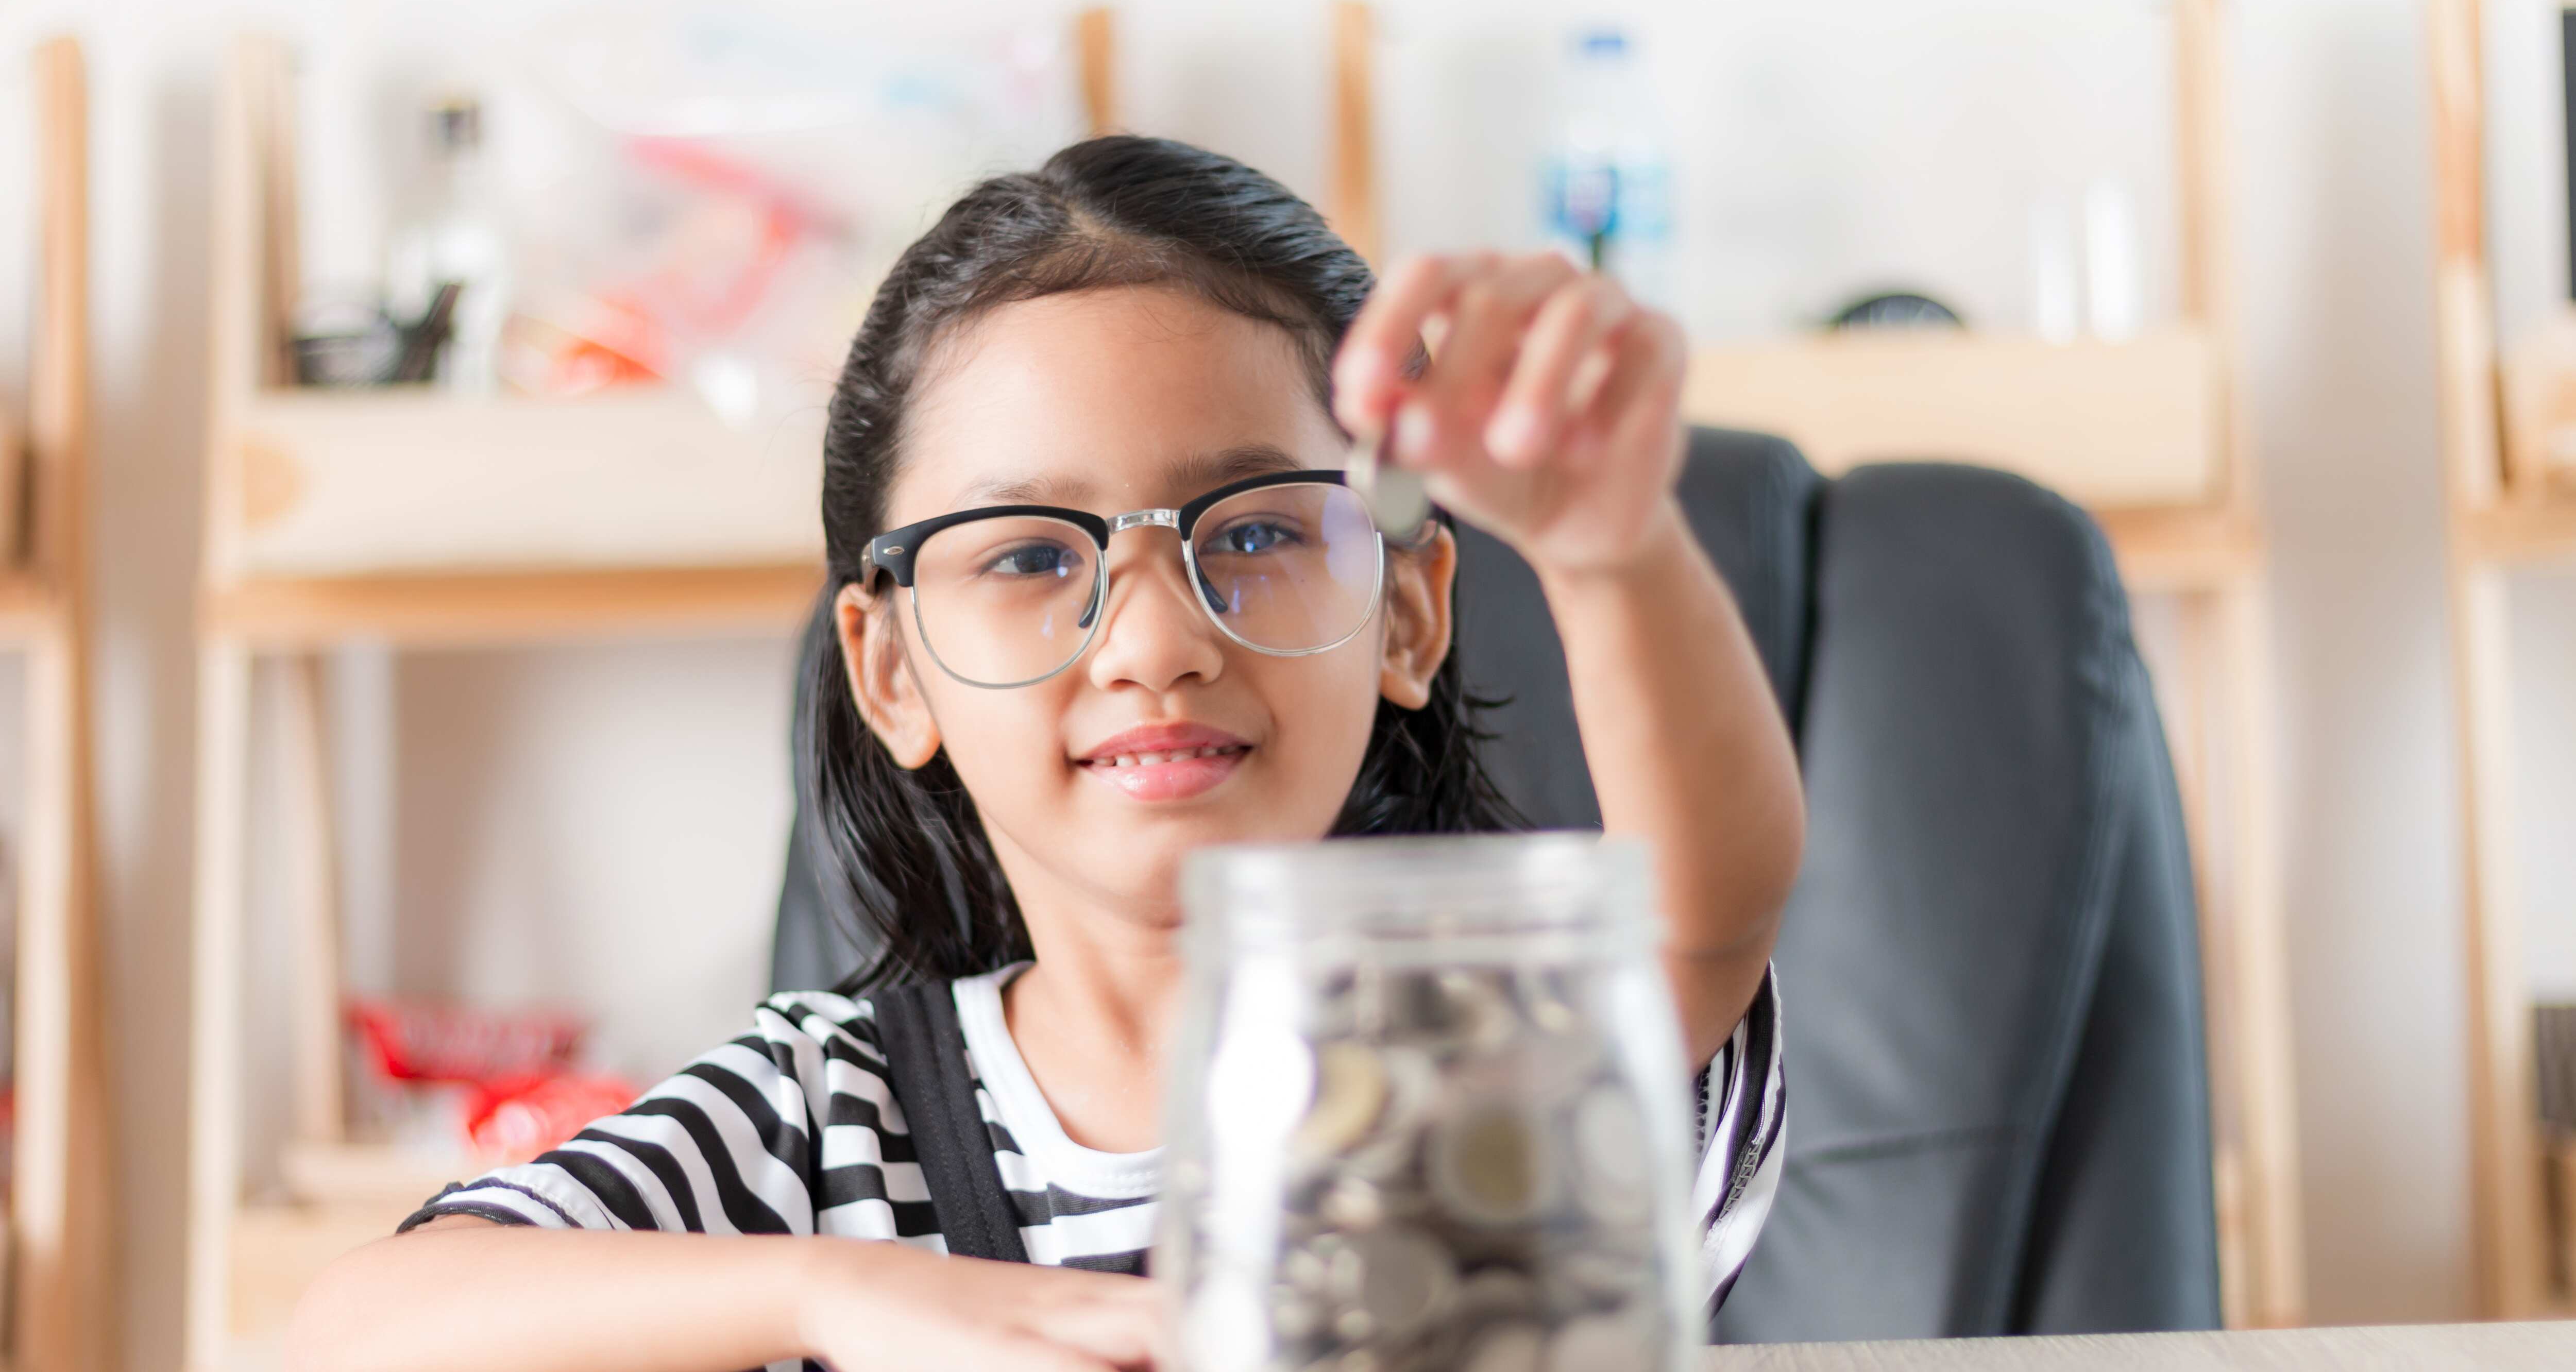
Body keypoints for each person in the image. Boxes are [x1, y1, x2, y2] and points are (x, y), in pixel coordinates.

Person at [287, 134, 1803, 1372]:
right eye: (1026, 556)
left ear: (1405, 610)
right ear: (890, 669)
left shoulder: (1487, 1062)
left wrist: (1613, 551)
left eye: (1262, 530)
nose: (1153, 644)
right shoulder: (823, 1112)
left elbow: (1703, 914)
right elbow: (348, 1336)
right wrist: (835, 1296)